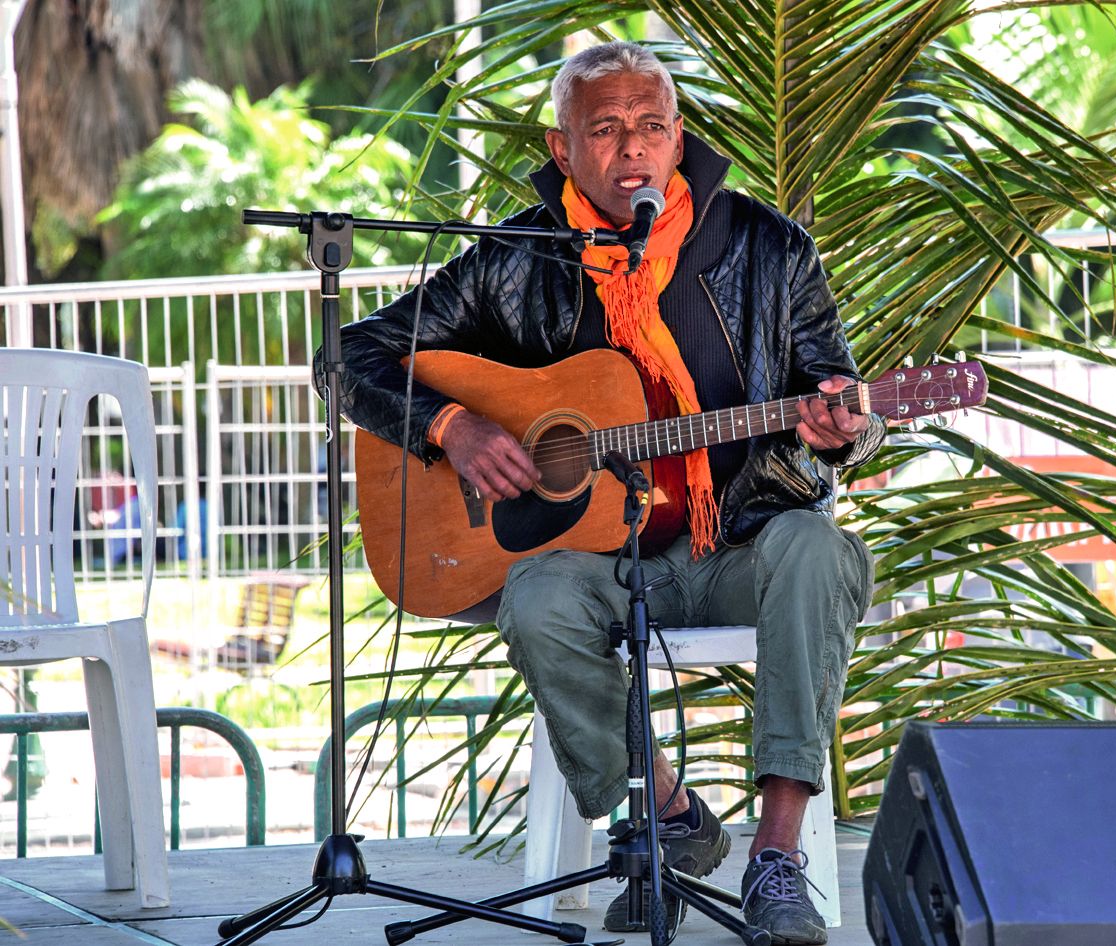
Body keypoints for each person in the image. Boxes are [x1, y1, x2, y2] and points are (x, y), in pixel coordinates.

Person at [332, 41, 884, 944]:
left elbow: (839, 393)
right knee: (538, 596)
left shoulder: (768, 249)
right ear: (563, 151)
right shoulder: (513, 260)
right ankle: (670, 816)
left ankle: (776, 856)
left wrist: (846, 423)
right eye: (607, 128)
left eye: (652, 127)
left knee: (823, 548)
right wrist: (453, 427)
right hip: (604, 559)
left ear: (678, 140)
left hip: (742, 541)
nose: (634, 147)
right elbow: (348, 355)